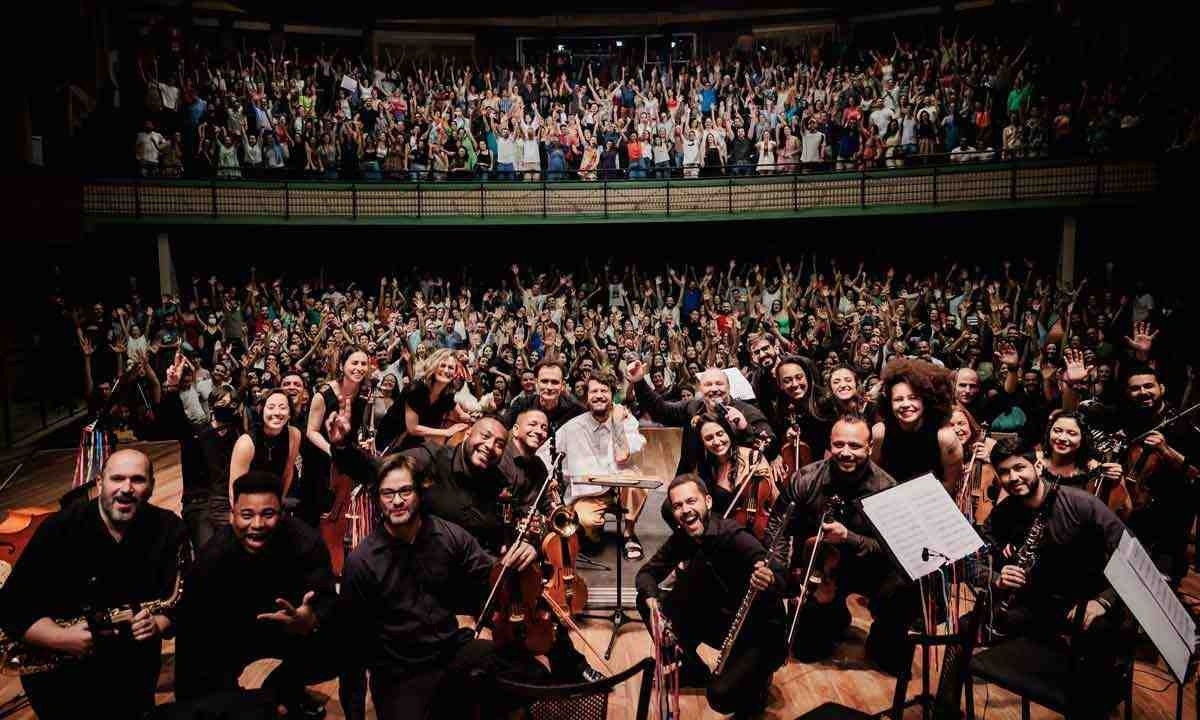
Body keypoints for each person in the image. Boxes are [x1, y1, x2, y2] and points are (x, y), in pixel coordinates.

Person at [340, 454, 549, 720]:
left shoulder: (448, 535)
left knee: (534, 676)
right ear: (378, 499)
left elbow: (494, 576)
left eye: (405, 490)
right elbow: (351, 648)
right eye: (387, 493)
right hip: (400, 671)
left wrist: (527, 551)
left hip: (449, 650)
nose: (397, 501)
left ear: (419, 492)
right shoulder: (362, 562)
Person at [0, 449, 187, 719]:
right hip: (61, 674)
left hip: (133, 670)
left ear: (152, 486)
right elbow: (11, 607)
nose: (126, 488)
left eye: (137, 479)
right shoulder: (60, 529)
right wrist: (62, 638)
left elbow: (180, 597)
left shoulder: (169, 528)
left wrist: (160, 623)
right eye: (117, 478)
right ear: (100, 483)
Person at [975, 438, 1132, 714]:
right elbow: (976, 554)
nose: (1013, 478)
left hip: (1088, 602)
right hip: (1038, 604)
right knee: (968, 626)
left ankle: (1091, 705)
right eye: (1004, 472)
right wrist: (996, 575)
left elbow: (1131, 556)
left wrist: (1103, 601)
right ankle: (946, 708)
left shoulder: (1081, 504)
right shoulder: (1007, 511)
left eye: (1019, 468)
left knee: (1097, 647)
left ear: (1037, 464)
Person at [174, 471, 339, 717]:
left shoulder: (306, 542)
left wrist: (311, 618)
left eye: (268, 514)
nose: (257, 525)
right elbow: (191, 629)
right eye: (247, 515)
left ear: (282, 514)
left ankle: (282, 688)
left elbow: (328, 598)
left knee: (346, 634)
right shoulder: (211, 559)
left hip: (289, 629)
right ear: (232, 516)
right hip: (230, 635)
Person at [636, 474, 787, 716]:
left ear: (707, 501)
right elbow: (646, 574)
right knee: (645, 600)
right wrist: (652, 601)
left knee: (720, 696)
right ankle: (693, 670)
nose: (685, 510)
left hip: (757, 630)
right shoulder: (682, 538)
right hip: (720, 619)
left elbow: (785, 580)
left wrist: (769, 579)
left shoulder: (734, 536)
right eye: (678, 506)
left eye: (691, 501)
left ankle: (758, 681)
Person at [783, 415, 917, 675]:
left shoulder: (886, 487)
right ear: (829, 445)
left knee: (904, 589)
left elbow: (894, 549)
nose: (846, 452)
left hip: (871, 568)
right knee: (806, 652)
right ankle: (834, 615)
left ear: (869, 448)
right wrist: (792, 580)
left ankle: (882, 636)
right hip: (824, 570)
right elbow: (783, 531)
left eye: (855, 446)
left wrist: (849, 537)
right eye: (839, 444)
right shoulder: (806, 479)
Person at [545, 372, 647, 557]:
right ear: (586, 397)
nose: (599, 395)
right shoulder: (572, 427)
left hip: (620, 487)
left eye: (604, 390)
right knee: (585, 522)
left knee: (635, 482)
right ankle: (594, 534)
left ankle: (629, 534)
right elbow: (544, 454)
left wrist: (616, 422)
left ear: (612, 395)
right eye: (594, 391)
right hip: (590, 493)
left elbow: (623, 455)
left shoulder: (625, 419)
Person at [627, 359, 775, 475]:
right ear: (700, 390)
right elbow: (660, 410)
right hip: (695, 477)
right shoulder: (692, 407)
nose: (714, 389)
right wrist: (639, 382)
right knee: (668, 509)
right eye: (708, 385)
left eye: (719, 384)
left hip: (733, 480)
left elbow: (769, 443)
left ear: (729, 387)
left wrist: (745, 428)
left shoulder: (746, 411)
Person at [871, 358, 963, 493]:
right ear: (889, 404)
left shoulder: (945, 437)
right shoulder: (880, 433)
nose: (906, 404)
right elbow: (874, 478)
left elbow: (949, 484)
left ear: (925, 400)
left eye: (913, 397)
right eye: (898, 399)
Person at [301, 347, 369, 526]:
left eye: (363, 364)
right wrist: (333, 452)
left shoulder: (364, 394)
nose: (359, 368)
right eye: (354, 363)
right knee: (315, 510)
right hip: (320, 455)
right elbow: (311, 431)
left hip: (343, 458)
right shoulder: (323, 394)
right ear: (342, 366)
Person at [376, 348, 474, 453]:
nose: (446, 370)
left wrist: (471, 417)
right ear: (434, 366)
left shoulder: (447, 394)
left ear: (455, 372)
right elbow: (412, 428)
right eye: (442, 365)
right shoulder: (416, 389)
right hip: (392, 439)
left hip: (415, 442)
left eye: (450, 368)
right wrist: (447, 432)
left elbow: (461, 414)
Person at [228, 389, 302, 514]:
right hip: (246, 503)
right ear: (262, 411)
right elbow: (235, 490)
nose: (277, 412)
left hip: (273, 502)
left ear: (290, 413)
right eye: (271, 407)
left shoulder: (294, 434)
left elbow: (287, 473)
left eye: (283, 407)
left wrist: (278, 504)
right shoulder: (246, 443)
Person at [503, 359, 585, 431]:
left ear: (562, 386)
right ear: (536, 383)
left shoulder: (575, 411)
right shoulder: (521, 406)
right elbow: (501, 428)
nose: (549, 387)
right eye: (544, 381)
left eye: (555, 382)